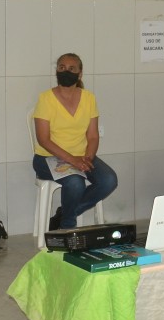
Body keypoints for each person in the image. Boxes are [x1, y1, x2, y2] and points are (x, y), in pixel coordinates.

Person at [32, 53, 118, 230]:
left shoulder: (89, 98)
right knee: (75, 182)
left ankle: (65, 214)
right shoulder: (46, 98)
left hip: (82, 156)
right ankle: (67, 229)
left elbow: (93, 136)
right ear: (56, 71)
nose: (66, 71)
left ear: (80, 74)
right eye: (61, 67)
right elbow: (43, 139)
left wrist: (88, 157)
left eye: (71, 68)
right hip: (47, 158)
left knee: (109, 180)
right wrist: (73, 161)